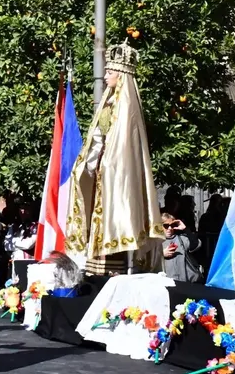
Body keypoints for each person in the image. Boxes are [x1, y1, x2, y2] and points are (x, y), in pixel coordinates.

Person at [67, 43, 164, 275]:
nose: (106, 76)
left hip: (118, 176)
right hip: (103, 172)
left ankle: (121, 264)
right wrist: (86, 166)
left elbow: (124, 151)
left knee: (117, 214)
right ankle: (99, 266)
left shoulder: (127, 107)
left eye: (110, 72)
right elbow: (98, 141)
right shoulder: (107, 105)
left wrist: (108, 167)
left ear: (121, 76)